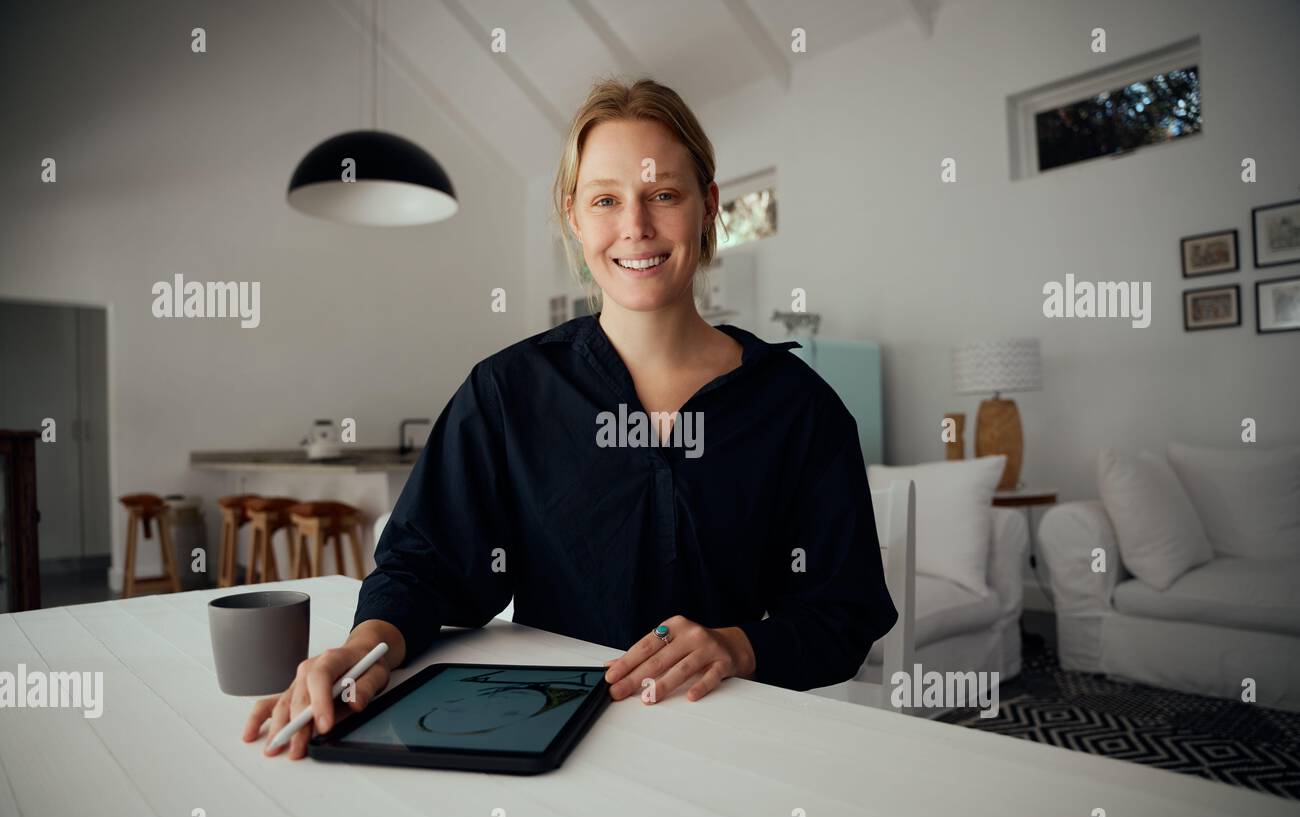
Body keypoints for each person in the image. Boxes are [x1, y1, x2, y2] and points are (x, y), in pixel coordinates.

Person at [245, 77, 897, 759]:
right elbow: (424, 567)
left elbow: (843, 613)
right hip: (548, 736)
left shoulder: (799, 407)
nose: (636, 226)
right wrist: (359, 651)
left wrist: (737, 644)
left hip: (732, 743)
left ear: (708, 207)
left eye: (664, 195)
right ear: (575, 217)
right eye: (607, 199)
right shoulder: (506, 392)